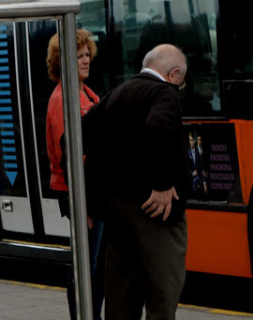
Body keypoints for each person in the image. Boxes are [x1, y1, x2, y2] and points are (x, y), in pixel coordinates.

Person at [82, 44, 190, 320]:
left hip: (117, 214)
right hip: (154, 215)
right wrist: (163, 185)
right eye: (182, 81)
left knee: (121, 298)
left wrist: (91, 200)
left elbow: (75, 138)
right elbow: (158, 127)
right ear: (174, 74)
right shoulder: (164, 92)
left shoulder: (116, 94)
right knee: (163, 293)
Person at [45, 29, 104, 320]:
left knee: (96, 263)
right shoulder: (62, 99)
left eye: (86, 55)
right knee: (85, 265)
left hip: (91, 191)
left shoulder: (87, 93)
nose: (85, 60)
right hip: (80, 192)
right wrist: (85, 203)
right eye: (78, 56)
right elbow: (69, 155)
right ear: (62, 61)